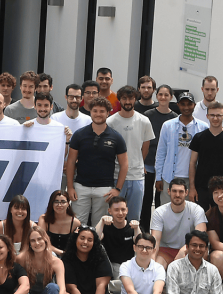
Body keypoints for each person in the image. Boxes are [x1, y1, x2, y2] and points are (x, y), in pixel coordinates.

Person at [66, 97, 128, 226]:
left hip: (104, 189)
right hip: (81, 187)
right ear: (90, 112)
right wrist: (70, 187)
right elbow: (71, 162)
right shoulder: (79, 134)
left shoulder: (116, 137)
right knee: (77, 224)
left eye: (102, 111)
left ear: (108, 113)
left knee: (100, 225)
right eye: (95, 111)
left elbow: (124, 164)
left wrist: (117, 189)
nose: (98, 114)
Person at [59, 226, 120, 294]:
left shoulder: (100, 256)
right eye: (82, 238)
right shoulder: (67, 258)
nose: (85, 242)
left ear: (94, 242)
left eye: (90, 240)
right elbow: (72, 288)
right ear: (76, 239)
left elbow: (101, 285)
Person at [106, 85, 154, 220]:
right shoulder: (111, 121)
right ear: (119, 100)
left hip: (137, 176)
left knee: (134, 218)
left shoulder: (144, 121)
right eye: (124, 98)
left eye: (131, 98)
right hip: (116, 175)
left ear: (135, 99)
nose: (127, 102)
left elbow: (146, 146)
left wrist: (139, 162)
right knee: (114, 216)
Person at [154, 92, 208, 206]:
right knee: (167, 210)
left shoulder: (203, 127)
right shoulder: (168, 125)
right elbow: (161, 153)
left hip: (192, 180)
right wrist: (158, 177)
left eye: (189, 104)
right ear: (178, 105)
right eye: (183, 104)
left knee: (189, 212)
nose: (186, 107)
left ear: (194, 105)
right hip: (169, 177)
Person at [188, 101, 223, 211]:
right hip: (201, 187)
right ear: (207, 116)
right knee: (200, 217)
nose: (215, 118)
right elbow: (192, 163)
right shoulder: (199, 138)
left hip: (222, 190)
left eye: (218, 115)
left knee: (221, 219)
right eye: (212, 115)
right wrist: (192, 188)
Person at [150, 178, 207, 268]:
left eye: (181, 191)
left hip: (188, 249)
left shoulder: (196, 209)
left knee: (200, 252)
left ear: (186, 192)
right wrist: (152, 264)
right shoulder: (159, 212)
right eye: (174, 191)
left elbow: (200, 235)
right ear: (169, 191)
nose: (177, 195)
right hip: (165, 250)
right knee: (157, 267)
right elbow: (155, 240)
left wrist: (184, 250)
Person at [142, 85, 177, 226]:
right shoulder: (148, 115)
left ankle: (158, 226)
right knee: (146, 197)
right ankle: (144, 227)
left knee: (160, 197)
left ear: (171, 97)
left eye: (166, 95)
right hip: (148, 161)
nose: (163, 97)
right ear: (156, 96)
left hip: (165, 164)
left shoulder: (175, 118)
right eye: (160, 94)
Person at [94, 196, 140, 278]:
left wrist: (137, 228)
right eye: (116, 210)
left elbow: (141, 244)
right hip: (109, 266)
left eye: (123, 209)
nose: (120, 213)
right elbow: (95, 239)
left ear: (127, 210)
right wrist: (101, 221)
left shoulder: (132, 227)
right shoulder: (105, 227)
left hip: (128, 266)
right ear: (110, 211)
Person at [39, 190, 81, 257]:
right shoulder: (43, 219)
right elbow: (41, 242)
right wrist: (61, 253)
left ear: (68, 203)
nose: (59, 205)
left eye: (63, 202)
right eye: (56, 202)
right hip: (48, 255)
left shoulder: (75, 223)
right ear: (51, 204)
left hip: (68, 257)